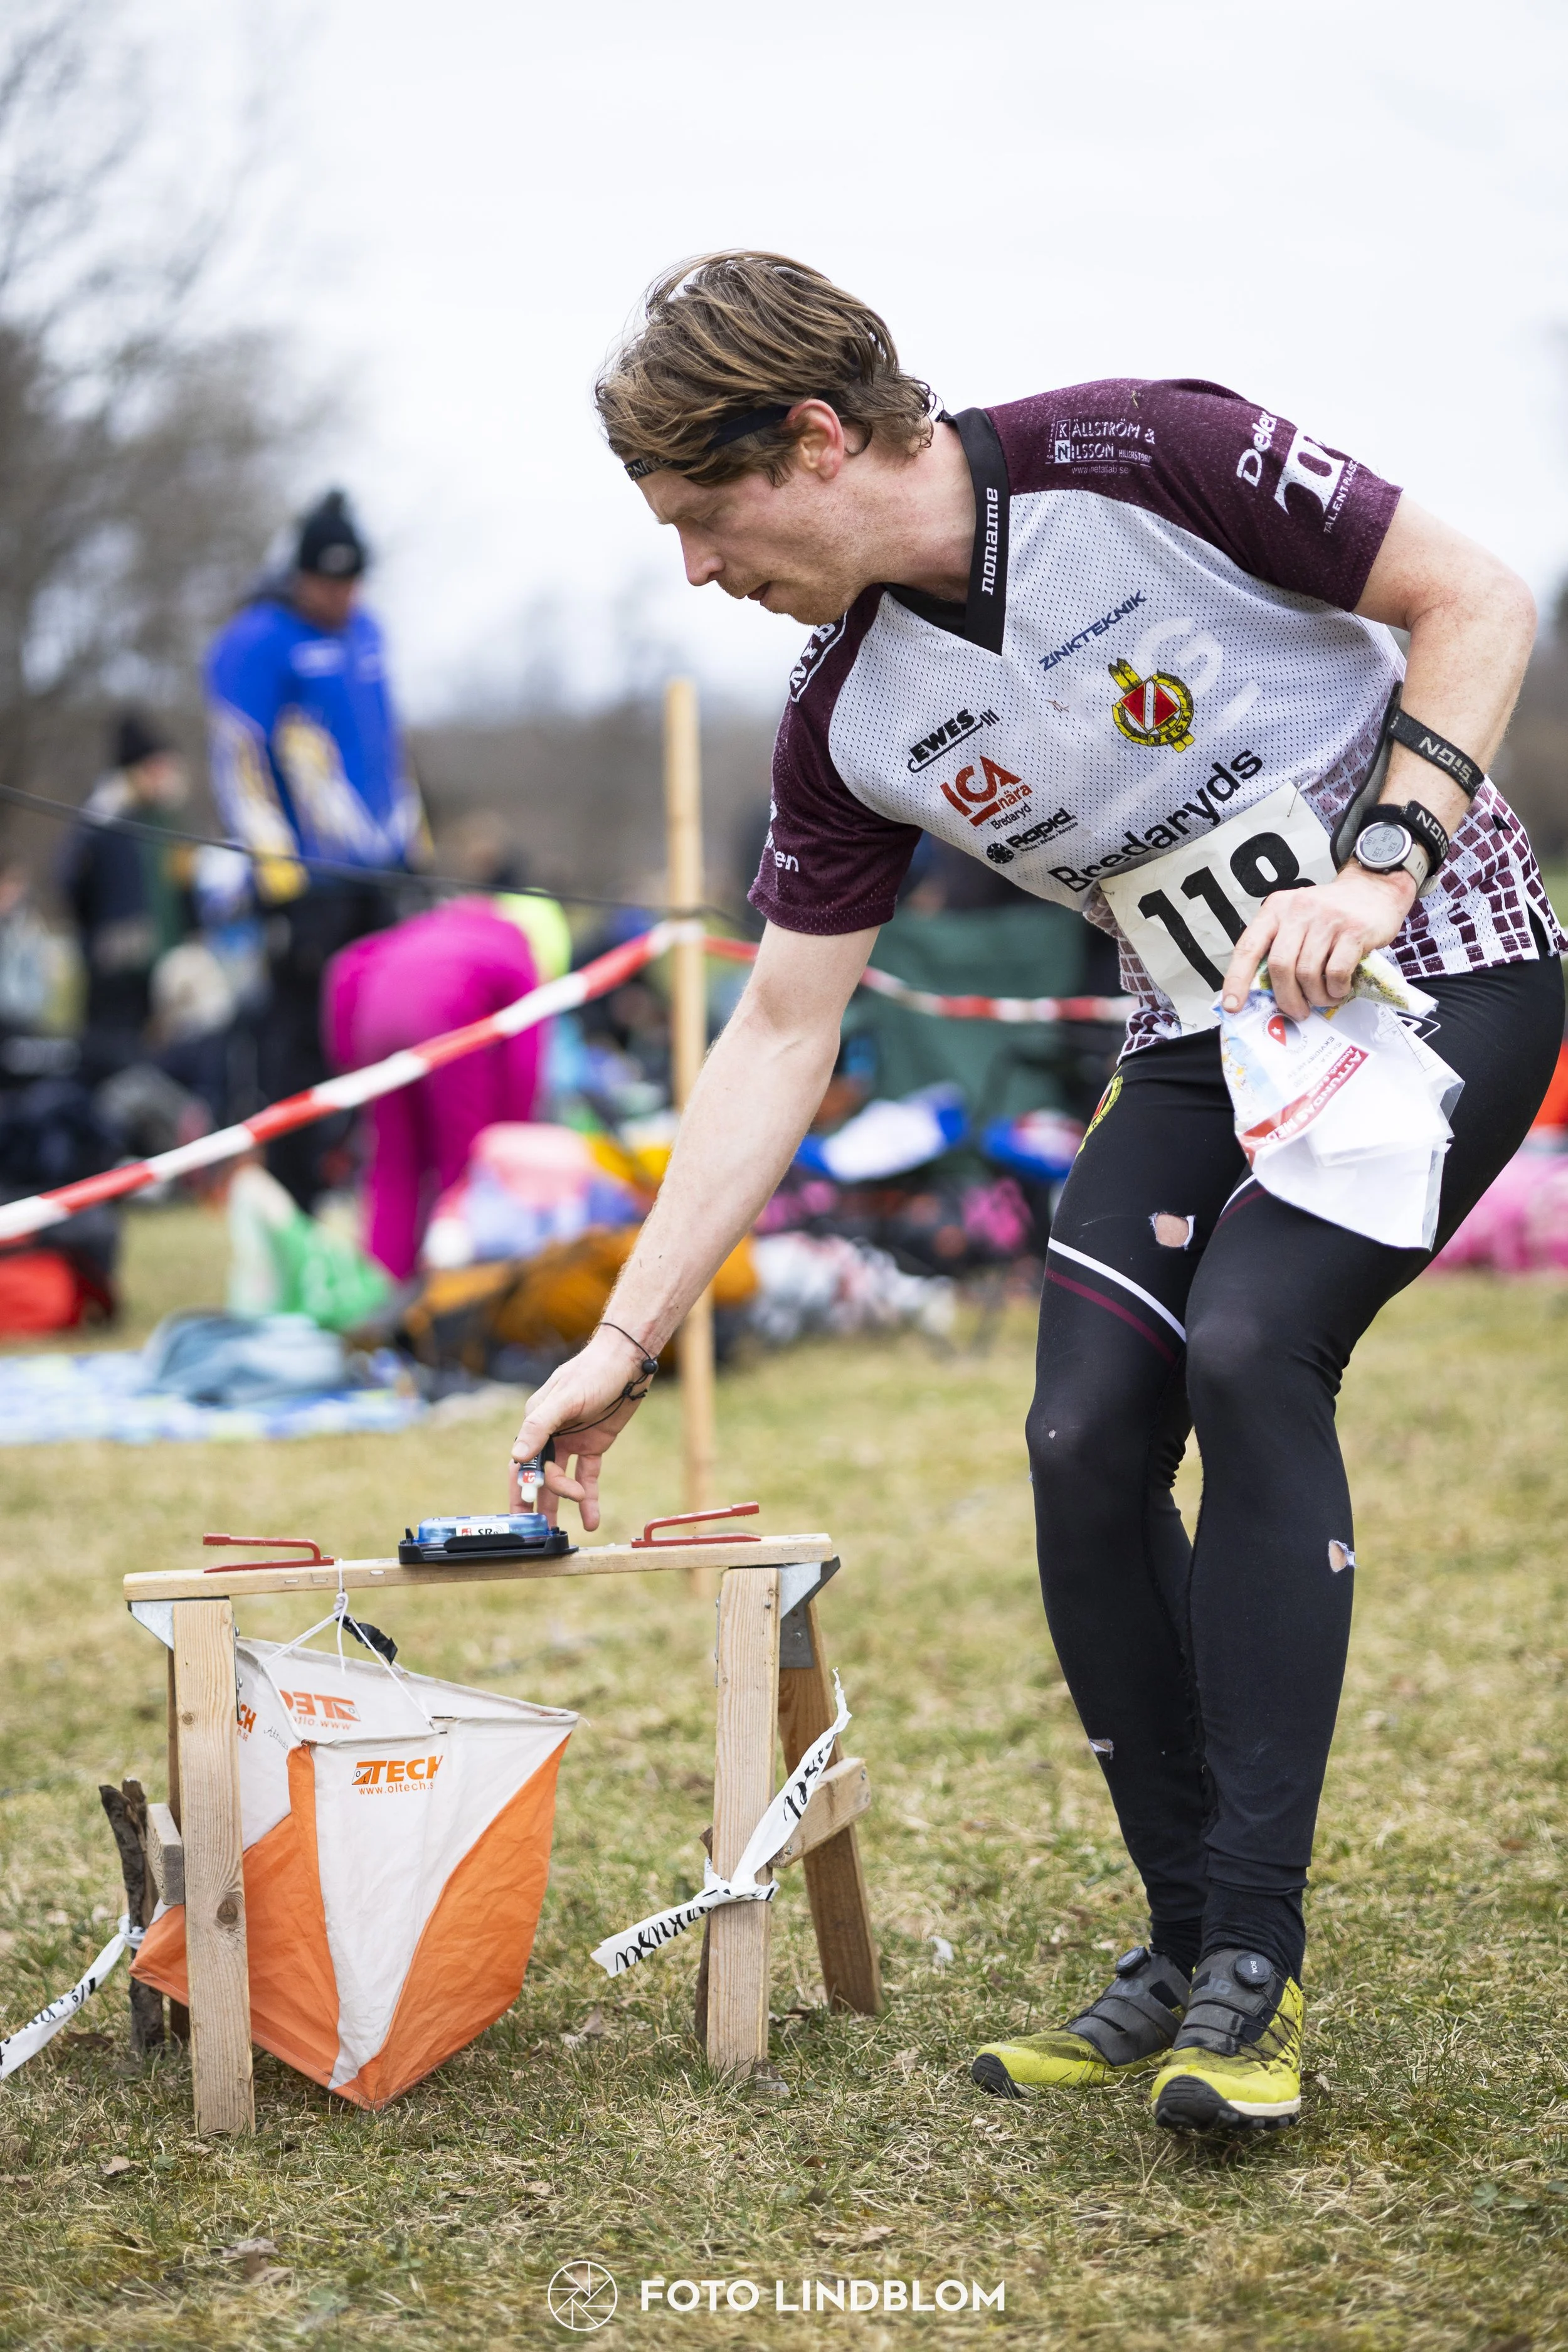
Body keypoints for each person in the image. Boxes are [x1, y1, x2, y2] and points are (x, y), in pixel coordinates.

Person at [507, 252, 1564, 2135]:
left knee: (1246, 1349)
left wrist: (1380, 868)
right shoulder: (839, 716)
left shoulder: (1143, 453)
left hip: (1441, 966)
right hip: (1204, 1025)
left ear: (812, 437)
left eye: (703, 515)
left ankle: (1249, 1961)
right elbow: (777, 1029)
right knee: (1079, 1432)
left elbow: (1469, 597)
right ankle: (1172, 1940)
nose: (692, 571)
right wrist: (622, 1328)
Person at [204, 489, 430, 1205]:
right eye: (328, 582)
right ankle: (296, 1193)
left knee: (388, 1032)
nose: (341, 596)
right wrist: (280, 879)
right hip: (305, 884)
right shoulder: (255, 640)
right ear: (299, 576)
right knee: (299, 1042)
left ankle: (377, 1183)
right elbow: (241, 762)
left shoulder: (369, 633)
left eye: (352, 581)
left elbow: (388, 750)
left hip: (379, 874)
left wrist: (413, 846)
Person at [322, 896, 546, 1282]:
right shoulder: (516, 948)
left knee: (393, 1167)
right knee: (463, 1165)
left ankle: (384, 1291)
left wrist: (348, 1059)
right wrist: (508, 1137)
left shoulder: (424, 927)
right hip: (447, 1021)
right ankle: (455, 1291)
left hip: (374, 1023)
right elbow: (524, 1060)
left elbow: (346, 967)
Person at [60, 710, 191, 1075]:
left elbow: (182, 887)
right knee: (111, 1057)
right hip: (116, 968)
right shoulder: (104, 818)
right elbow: (73, 885)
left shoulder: (165, 822)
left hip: (162, 966)